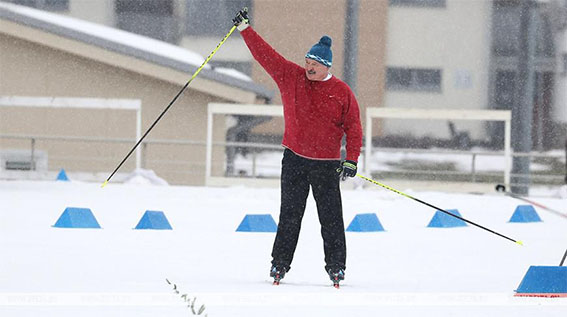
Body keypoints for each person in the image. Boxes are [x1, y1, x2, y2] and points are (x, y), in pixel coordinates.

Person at [233, 9, 363, 286]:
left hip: (327, 165)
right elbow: (265, 55)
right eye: (306, 62)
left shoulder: (342, 92)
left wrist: (351, 159)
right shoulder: (291, 77)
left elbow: (354, 129)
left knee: (331, 219)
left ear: (327, 66)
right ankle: (279, 263)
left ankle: (336, 266)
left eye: (314, 64)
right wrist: (245, 29)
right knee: (290, 216)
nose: (309, 67)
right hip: (294, 160)